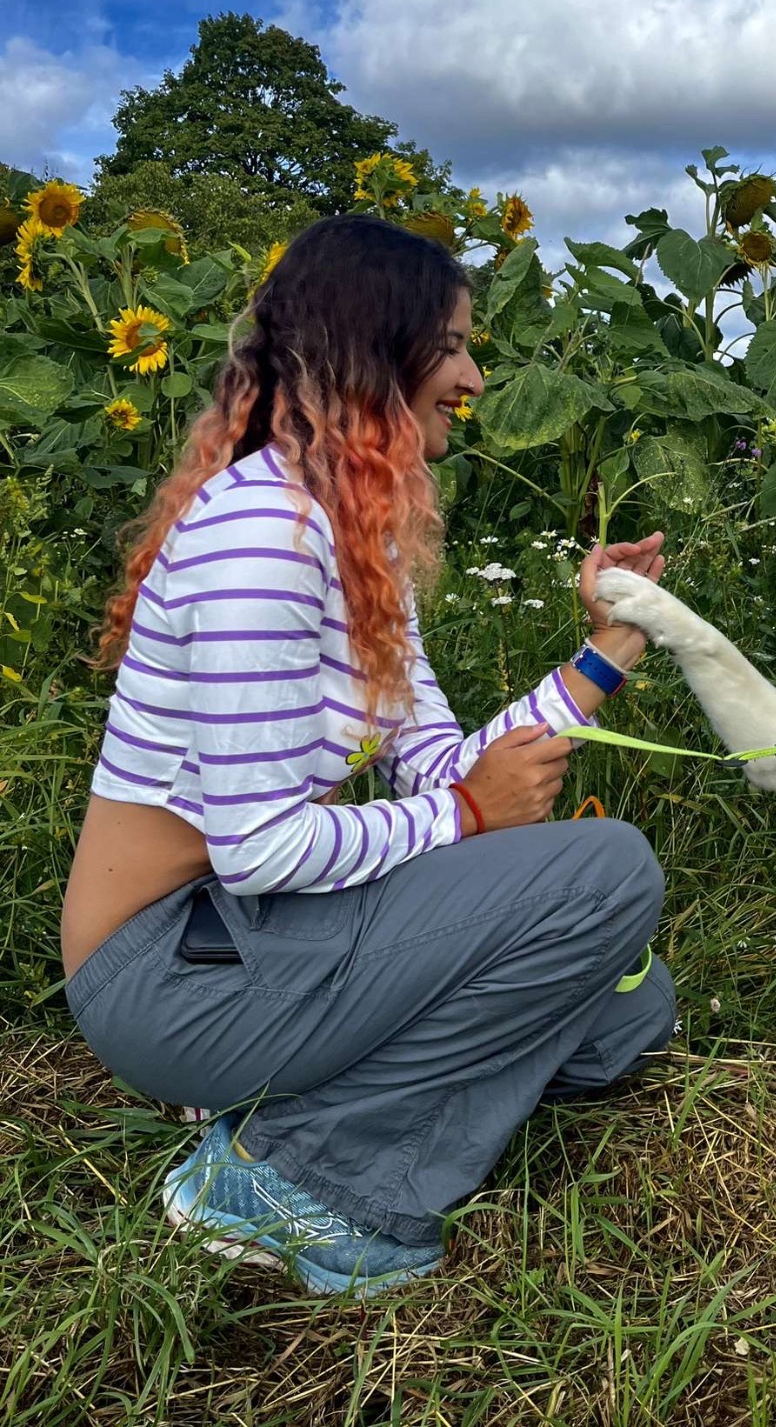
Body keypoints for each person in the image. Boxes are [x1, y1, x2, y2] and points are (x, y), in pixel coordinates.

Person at [60, 214, 674, 1300]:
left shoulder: (352, 543)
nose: (474, 374)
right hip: (166, 973)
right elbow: (255, 848)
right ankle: (297, 1179)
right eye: (451, 346)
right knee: (609, 875)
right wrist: (472, 823)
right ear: (370, 352)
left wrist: (608, 648)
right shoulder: (259, 543)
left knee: (627, 1008)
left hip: (251, 940)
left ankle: (284, 1090)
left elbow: (440, 768)